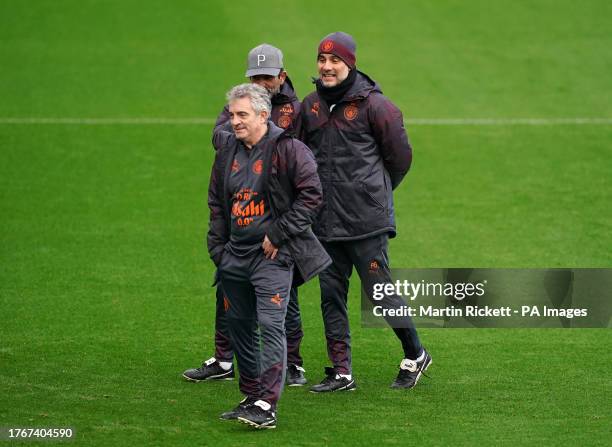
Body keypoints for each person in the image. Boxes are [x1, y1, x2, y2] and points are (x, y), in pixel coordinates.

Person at [299, 32, 431, 392]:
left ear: (350, 63)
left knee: (380, 294)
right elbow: (297, 154)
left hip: (365, 223)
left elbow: (400, 159)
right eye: (322, 60)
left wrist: (375, 193)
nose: (327, 67)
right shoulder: (310, 106)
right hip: (324, 223)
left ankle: (415, 355)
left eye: (335, 61)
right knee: (331, 295)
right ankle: (341, 372)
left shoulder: (377, 107)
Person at [183, 44, 308, 386]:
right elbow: (218, 137)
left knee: (285, 298)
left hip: (278, 220)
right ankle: (224, 360)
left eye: (267, 77)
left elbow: (305, 159)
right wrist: (247, 132)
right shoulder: (239, 106)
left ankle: (293, 364)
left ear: (281, 76)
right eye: (256, 77)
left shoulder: (297, 110)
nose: (262, 83)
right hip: (241, 211)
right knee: (228, 289)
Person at [208, 83, 330, 428]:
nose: (234, 121)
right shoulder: (227, 151)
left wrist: (277, 234)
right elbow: (217, 202)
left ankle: (266, 404)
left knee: (270, 325)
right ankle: (250, 394)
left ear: (264, 115)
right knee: (239, 327)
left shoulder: (290, 149)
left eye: (242, 114)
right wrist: (217, 249)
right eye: (232, 115)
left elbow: (311, 196)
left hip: (272, 258)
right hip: (233, 256)